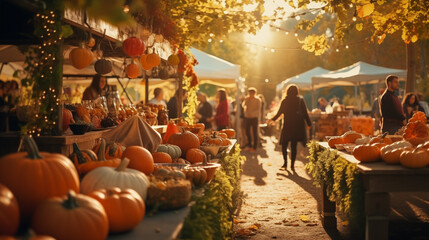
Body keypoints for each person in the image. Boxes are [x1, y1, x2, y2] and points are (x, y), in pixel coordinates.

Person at [268, 84, 311, 171]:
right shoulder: (300, 100)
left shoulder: (285, 101)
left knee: (284, 144)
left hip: (287, 125)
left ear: (287, 91)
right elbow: (305, 113)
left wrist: (272, 119)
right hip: (297, 126)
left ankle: (285, 163)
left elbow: (279, 113)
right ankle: (292, 165)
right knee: (293, 145)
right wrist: (309, 123)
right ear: (296, 91)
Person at [242, 87, 261, 152]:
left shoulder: (257, 100)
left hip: (254, 118)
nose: (250, 94)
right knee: (247, 131)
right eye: (249, 93)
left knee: (254, 132)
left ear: (254, 93)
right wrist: (245, 100)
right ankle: (249, 145)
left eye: (252, 93)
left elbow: (258, 109)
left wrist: (253, 114)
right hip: (248, 117)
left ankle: (254, 147)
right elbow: (243, 106)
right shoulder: (247, 99)